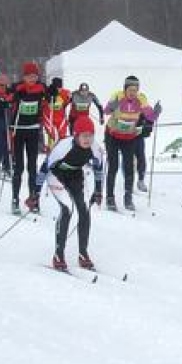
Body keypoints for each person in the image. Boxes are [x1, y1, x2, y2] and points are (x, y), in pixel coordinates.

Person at [42, 116, 105, 271]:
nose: (87, 140)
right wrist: (34, 194)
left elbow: (99, 170)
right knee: (67, 209)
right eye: (84, 136)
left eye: (90, 135)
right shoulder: (63, 147)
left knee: (84, 211)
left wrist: (98, 191)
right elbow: (44, 168)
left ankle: (83, 253)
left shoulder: (95, 149)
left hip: (76, 176)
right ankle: (58, 254)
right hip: (56, 176)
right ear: (76, 135)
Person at [103, 75, 158, 212]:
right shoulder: (117, 96)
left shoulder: (141, 99)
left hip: (129, 137)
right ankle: (110, 197)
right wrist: (112, 106)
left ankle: (128, 198)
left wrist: (156, 113)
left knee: (129, 167)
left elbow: (150, 116)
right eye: (130, 90)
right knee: (113, 166)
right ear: (125, 89)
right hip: (113, 136)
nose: (133, 93)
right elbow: (106, 111)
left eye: (135, 90)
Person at [9, 62, 48, 215]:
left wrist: (52, 93)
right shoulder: (17, 87)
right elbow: (7, 98)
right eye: (29, 76)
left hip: (33, 130)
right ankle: (14, 199)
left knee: (32, 167)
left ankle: (33, 199)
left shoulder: (41, 88)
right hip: (18, 131)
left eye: (34, 76)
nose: (32, 79)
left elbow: (50, 97)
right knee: (18, 167)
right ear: (24, 76)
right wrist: (14, 96)